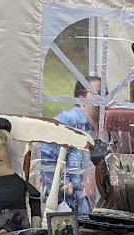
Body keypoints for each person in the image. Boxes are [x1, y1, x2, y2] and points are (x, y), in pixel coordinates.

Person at [39, 77, 100, 215]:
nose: (103, 100)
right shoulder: (67, 121)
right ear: (82, 101)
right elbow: (45, 153)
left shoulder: (107, 126)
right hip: (71, 205)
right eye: (97, 94)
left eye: (106, 94)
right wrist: (61, 184)